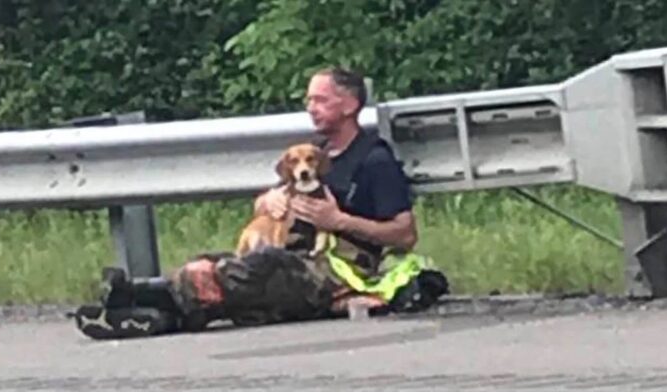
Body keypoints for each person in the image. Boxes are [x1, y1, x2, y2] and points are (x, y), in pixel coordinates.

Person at [72, 67, 448, 340]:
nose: (311, 107)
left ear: (349, 104)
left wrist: (339, 220)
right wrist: (268, 199)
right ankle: (150, 313)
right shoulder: (313, 155)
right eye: (308, 100)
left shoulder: (374, 159)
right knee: (215, 262)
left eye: (320, 99)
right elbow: (268, 208)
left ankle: (138, 297)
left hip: (336, 272)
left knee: (255, 268)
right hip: (292, 257)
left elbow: (404, 234)